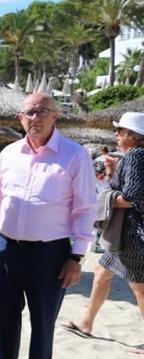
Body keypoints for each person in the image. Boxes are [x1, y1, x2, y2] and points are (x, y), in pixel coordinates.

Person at [0, 92, 97, 359]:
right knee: (6, 318)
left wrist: (77, 257)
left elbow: (86, 209)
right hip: (6, 248)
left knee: (42, 323)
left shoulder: (74, 155)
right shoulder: (8, 154)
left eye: (43, 111)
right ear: (20, 117)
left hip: (51, 253)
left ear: (55, 116)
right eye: (29, 112)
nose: (36, 117)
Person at [62, 112, 144, 337]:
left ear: (133, 135)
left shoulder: (135, 156)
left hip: (133, 235)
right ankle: (86, 323)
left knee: (139, 288)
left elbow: (131, 197)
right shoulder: (135, 156)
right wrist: (112, 172)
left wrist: (101, 199)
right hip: (127, 234)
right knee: (101, 272)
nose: (116, 134)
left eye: (120, 131)